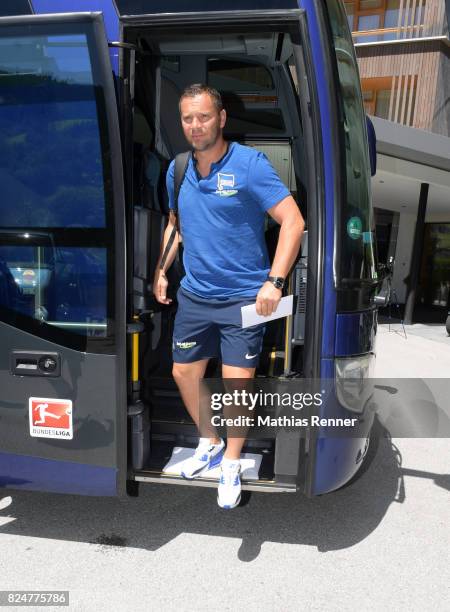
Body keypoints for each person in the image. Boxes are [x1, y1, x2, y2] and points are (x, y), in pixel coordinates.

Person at [153, 83, 304, 509]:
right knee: (185, 373)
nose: (196, 125)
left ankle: (232, 462)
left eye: (203, 117)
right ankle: (209, 441)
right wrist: (161, 271)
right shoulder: (178, 168)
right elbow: (175, 224)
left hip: (244, 299)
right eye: (188, 118)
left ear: (221, 119)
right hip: (196, 296)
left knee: (237, 388)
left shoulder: (250, 165)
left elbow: (292, 221)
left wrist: (274, 282)